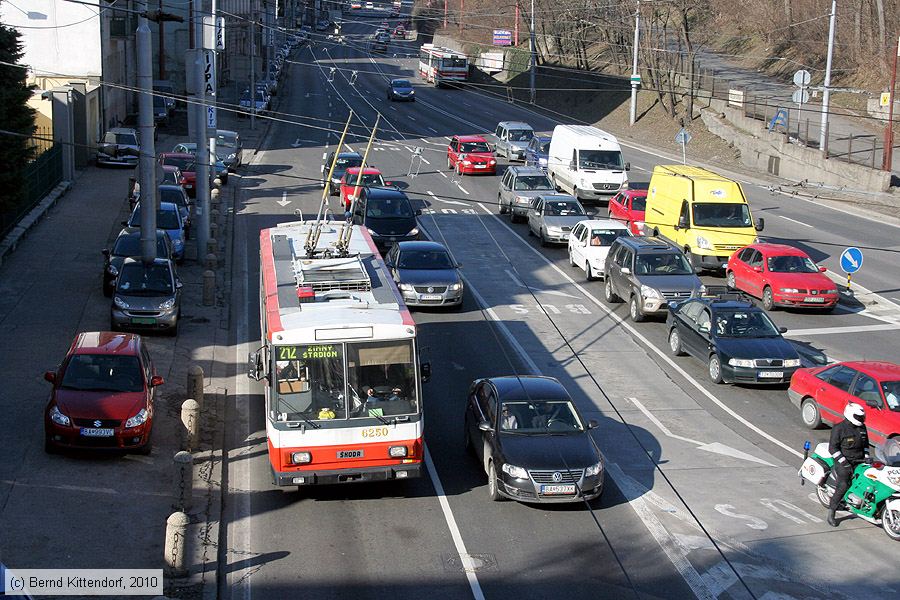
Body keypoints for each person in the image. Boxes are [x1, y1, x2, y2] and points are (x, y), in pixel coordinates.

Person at [827, 403, 869, 527]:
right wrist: (844, 463)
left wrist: (867, 458)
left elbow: (866, 445)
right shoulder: (839, 428)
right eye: (859, 417)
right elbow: (833, 448)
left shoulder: (862, 427)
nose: (861, 419)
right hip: (843, 461)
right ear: (851, 415)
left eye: (862, 417)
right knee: (843, 485)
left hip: (859, 460)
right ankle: (831, 511)